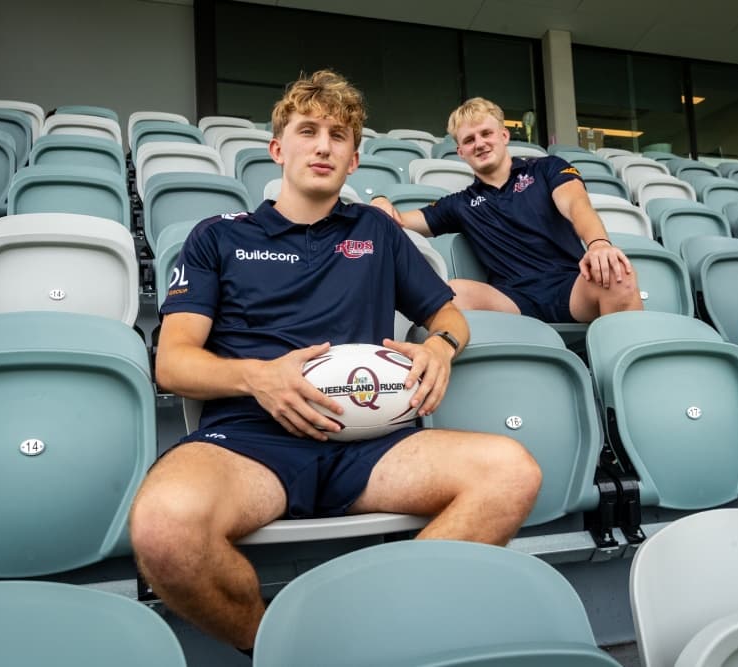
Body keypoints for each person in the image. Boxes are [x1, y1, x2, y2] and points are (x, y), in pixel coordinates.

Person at [128, 71, 542, 652]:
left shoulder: (376, 231)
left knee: (512, 472)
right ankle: (286, 649)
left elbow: (449, 318)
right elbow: (172, 364)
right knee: (163, 529)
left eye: (339, 135)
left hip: (371, 437)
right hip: (252, 440)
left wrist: (438, 349)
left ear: (353, 159)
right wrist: (260, 378)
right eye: (308, 131)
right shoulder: (216, 237)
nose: (323, 145)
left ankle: (376, 635)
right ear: (278, 149)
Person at [372, 97, 643, 324]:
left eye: (486, 133)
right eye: (469, 140)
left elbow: (576, 204)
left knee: (618, 274)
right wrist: (381, 201)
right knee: (451, 293)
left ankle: (628, 383)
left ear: (503, 135)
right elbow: (400, 222)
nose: (479, 143)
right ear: (461, 152)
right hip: (512, 301)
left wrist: (597, 244)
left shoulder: (547, 168)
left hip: (570, 289)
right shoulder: (459, 204)